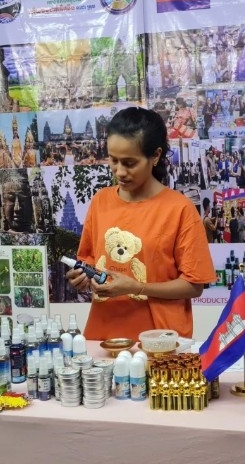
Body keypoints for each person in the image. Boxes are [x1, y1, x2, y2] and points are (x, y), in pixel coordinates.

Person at [66, 107, 216, 340]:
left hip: (159, 341)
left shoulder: (179, 209)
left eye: (129, 162)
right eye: (113, 160)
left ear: (155, 156)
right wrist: (82, 277)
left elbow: (194, 285)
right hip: (104, 338)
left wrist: (136, 287)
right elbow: (90, 260)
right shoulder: (101, 201)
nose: (119, 171)